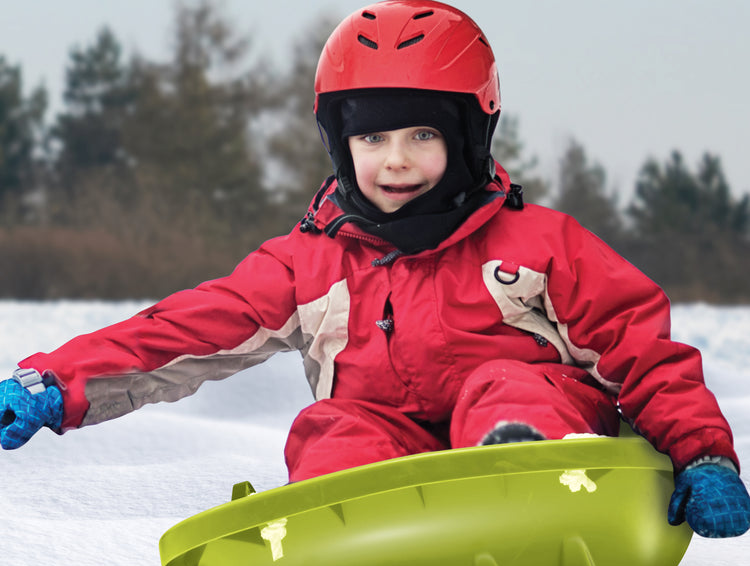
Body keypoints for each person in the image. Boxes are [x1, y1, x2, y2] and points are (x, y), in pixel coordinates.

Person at [1, 0, 748, 539]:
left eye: (424, 133)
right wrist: (54, 382)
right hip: (392, 460)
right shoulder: (308, 263)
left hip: (540, 439)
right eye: (374, 136)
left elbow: (641, 352)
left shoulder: (542, 244)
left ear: (470, 137)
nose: (395, 159)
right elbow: (180, 331)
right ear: (340, 144)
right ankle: (346, 523)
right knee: (334, 423)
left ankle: (520, 479)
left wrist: (704, 453)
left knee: (506, 383)